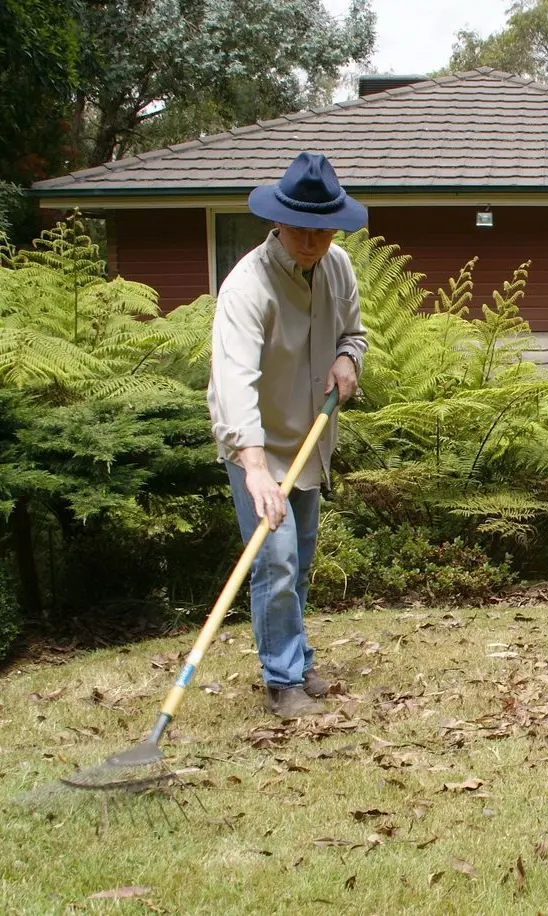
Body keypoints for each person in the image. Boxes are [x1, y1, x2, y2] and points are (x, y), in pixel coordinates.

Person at [207, 151, 368, 718]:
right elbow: (233, 381)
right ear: (277, 222)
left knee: (297, 559)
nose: (312, 242)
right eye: (301, 230)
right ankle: (282, 681)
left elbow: (354, 331)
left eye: (322, 231)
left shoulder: (338, 267)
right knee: (272, 560)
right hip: (257, 444)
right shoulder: (246, 288)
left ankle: (296, 660)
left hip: (310, 439)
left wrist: (349, 358)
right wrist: (253, 466)